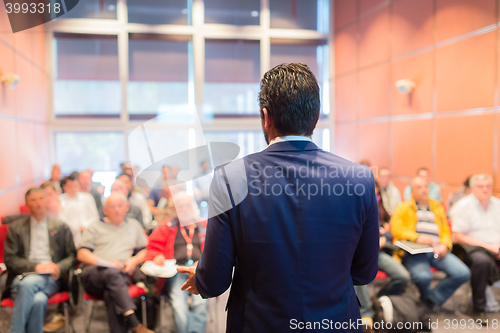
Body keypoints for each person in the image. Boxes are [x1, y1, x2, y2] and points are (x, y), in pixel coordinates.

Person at [177, 63, 380, 333]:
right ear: (316, 116)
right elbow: (364, 272)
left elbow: (215, 280)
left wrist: (201, 279)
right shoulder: (359, 178)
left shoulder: (231, 177)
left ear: (265, 117)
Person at [391, 177, 470, 312]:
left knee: (463, 273)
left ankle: (430, 301)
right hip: (416, 251)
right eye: (419, 187)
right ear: (412, 191)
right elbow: (396, 228)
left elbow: (445, 229)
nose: (424, 190)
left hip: (437, 249)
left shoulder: (437, 206)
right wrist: (417, 237)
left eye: (426, 187)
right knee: (423, 277)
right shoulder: (403, 207)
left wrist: (445, 244)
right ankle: (425, 304)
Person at [3, 188, 76, 333]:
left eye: (41, 199)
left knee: (27, 285)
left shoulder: (60, 227)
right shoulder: (16, 228)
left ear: (46, 201)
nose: (38, 203)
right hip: (23, 275)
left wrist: (58, 267)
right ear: (27, 204)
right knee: (39, 300)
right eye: (33, 200)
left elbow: (72, 256)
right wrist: (37, 267)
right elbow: (10, 259)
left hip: (51, 277)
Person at [77, 192, 152, 333]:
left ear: (127, 207)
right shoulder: (95, 226)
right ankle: (134, 323)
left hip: (120, 275)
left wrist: (134, 261)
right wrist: (105, 263)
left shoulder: (133, 225)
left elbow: (146, 250)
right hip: (95, 273)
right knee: (113, 274)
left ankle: (131, 322)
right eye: (112, 207)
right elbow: (82, 254)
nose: (117, 210)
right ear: (105, 210)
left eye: (120, 206)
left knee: (111, 292)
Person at [145, 192, 208, 333]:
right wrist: (157, 256)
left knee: (201, 302)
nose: (184, 209)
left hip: (199, 269)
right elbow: (151, 248)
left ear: (192, 207)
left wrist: (204, 263)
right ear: (175, 210)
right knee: (179, 304)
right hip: (176, 270)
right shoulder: (167, 226)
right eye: (180, 207)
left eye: (187, 206)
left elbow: (217, 249)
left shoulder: (205, 225)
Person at [450, 174, 500, 323]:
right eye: (480, 186)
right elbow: (458, 236)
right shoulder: (462, 206)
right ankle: (478, 309)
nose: (485, 190)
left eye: (488, 186)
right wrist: (489, 247)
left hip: (496, 247)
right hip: (474, 248)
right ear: (472, 189)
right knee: (482, 262)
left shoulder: (498, 204)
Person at [58, 174, 100, 247]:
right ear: (65, 187)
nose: (73, 188)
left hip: (86, 232)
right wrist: (72, 227)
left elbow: (94, 217)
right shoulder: (59, 200)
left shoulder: (87, 198)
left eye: (75, 186)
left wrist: (85, 225)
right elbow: (59, 217)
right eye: (70, 186)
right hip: (67, 234)